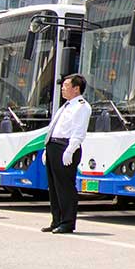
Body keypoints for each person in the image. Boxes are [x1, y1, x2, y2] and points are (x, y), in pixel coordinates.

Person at [42, 74, 90, 234]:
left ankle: (67, 222)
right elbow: (55, 128)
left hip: (66, 147)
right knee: (54, 187)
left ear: (76, 89)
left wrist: (70, 150)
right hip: (54, 146)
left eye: (66, 86)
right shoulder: (66, 106)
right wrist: (46, 148)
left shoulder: (82, 106)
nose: (62, 88)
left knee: (65, 187)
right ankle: (56, 220)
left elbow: (78, 131)